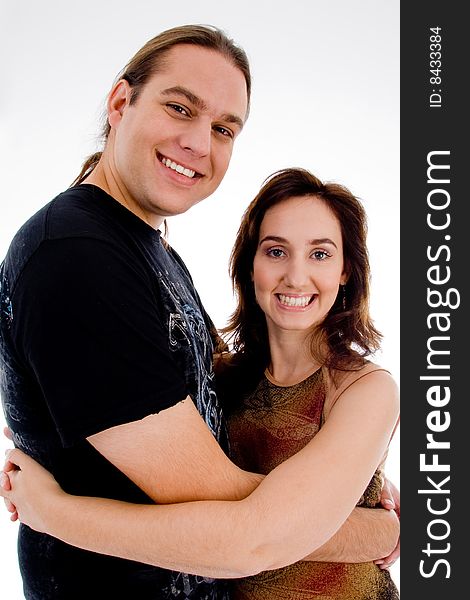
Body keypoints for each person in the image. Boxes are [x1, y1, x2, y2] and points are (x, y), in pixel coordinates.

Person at [1, 167, 400, 599]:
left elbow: (265, 536)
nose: (296, 276)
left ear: (347, 270)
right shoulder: (222, 375)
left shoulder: (366, 389)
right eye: (276, 251)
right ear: (251, 265)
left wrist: (54, 512)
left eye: (321, 254)